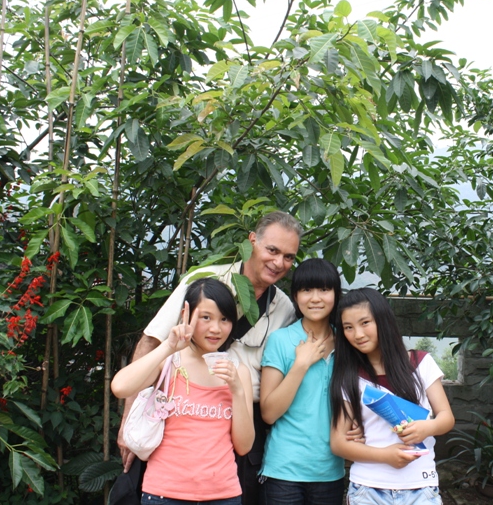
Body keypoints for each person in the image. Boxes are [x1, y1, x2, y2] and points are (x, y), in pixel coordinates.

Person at [118, 211, 302, 505]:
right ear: (252, 241)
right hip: (180, 418)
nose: (279, 263)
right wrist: (129, 422)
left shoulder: (283, 307)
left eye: (289, 257)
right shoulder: (204, 282)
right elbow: (151, 341)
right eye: (272, 250)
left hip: (242, 423)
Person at [111, 278, 254, 504]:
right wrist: (168, 347)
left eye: (224, 319)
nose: (216, 328)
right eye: (206, 317)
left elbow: (244, 446)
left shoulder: (238, 372)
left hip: (223, 495)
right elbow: (120, 387)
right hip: (164, 494)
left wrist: (237, 390)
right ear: (186, 316)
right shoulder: (169, 362)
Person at [329, 288, 455, 505]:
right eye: (348, 327)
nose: (357, 334)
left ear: (383, 320)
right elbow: (338, 443)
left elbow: (447, 417)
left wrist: (428, 428)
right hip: (368, 489)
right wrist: (385, 456)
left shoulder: (420, 362)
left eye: (365, 323)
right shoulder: (349, 376)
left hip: (421, 486)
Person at [259, 258, 345, 505]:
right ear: (295, 296)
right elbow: (269, 413)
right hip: (283, 471)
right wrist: (301, 365)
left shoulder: (347, 343)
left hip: (330, 471)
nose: (315, 298)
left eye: (324, 289)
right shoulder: (281, 340)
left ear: (336, 295)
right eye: (307, 290)